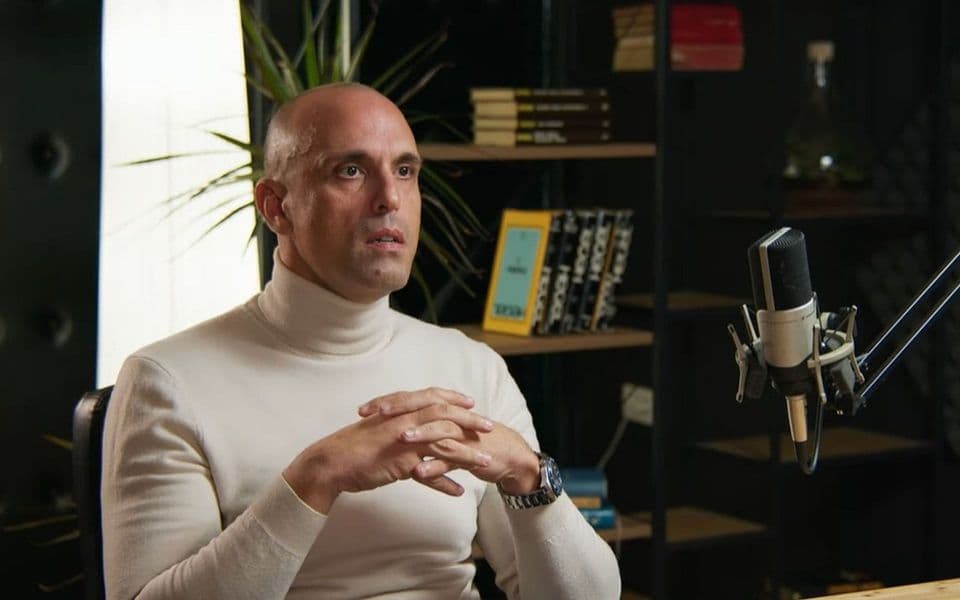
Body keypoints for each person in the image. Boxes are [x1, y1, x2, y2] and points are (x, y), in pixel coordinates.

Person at [101, 82, 621, 600]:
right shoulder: (168, 382)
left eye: (405, 171)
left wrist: (530, 476)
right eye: (350, 170)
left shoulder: (471, 367)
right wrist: (316, 478)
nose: (389, 198)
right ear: (276, 206)